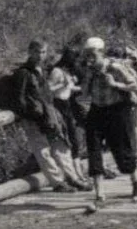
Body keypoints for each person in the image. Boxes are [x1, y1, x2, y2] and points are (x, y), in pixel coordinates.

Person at [13, 40, 89, 192]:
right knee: (43, 150)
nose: (40, 56)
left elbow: (46, 93)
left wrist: (50, 113)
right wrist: (31, 114)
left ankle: (72, 178)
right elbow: (19, 98)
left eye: (43, 52)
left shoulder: (40, 70)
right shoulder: (23, 72)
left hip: (48, 114)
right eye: (37, 52)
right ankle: (58, 183)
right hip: (34, 117)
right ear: (29, 52)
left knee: (61, 145)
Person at [80, 37, 137, 204]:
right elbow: (85, 95)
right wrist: (84, 84)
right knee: (94, 151)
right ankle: (100, 194)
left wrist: (115, 84)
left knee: (122, 151)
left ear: (101, 52)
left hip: (117, 110)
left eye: (92, 54)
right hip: (97, 110)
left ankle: (136, 181)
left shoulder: (115, 67)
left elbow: (136, 86)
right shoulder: (88, 71)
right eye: (87, 54)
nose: (89, 58)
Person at [47, 46, 89, 184]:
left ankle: (78, 172)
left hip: (67, 105)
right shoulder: (57, 71)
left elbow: (69, 88)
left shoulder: (66, 71)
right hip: (59, 105)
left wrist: (83, 88)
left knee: (73, 139)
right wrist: (62, 84)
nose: (76, 62)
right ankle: (73, 175)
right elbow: (48, 89)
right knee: (67, 138)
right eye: (74, 58)